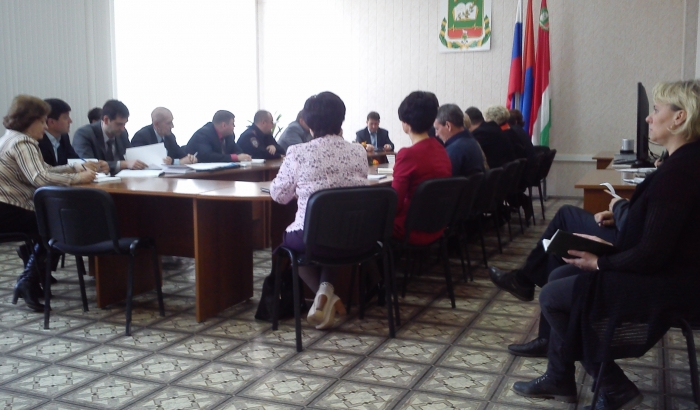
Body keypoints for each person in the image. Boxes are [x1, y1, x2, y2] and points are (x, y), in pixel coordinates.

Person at [511, 80, 700, 409]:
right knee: (558, 277)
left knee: (554, 296)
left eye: (656, 110)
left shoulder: (679, 173)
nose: (649, 118)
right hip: (671, 274)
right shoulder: (683, 162)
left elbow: (653, 254)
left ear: (679, 117)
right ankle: (559, 375)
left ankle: (613, 386)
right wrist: (610, 241)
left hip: (670, 286)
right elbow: (659, 237)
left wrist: (601, 261)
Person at [270, 92, 367, 329]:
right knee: (333, 234)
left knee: (291, 242)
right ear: (341, 119)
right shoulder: (359, 151)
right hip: (354, 235)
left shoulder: (298, 152)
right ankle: (325, 295)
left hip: (310, 238)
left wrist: (299, 188)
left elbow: (280, 196)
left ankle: (324, 297)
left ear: (308, 123)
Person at [489, 200, 628, 358]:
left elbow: (644, 225)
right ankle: (548, 339)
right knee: (557, 251)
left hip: (630, 241)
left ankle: (523, 281)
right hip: (628, 229)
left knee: (565, 214)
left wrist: (619, 207)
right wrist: (618, 215)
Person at [0, 95, 96, 311]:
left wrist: (73, 168)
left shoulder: (10, 138)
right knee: (60, 226)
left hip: (6, 209)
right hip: (8, 210)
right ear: (30, 120)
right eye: (42, 121)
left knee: (52, 224)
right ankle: (27, 281)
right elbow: (40, 178)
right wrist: (77, 178)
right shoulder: (23, 142)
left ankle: (31, 279)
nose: (45, 126)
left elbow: (43, 170)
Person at [393, 91, 452, 244]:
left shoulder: (407, 154)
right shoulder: (441, 150)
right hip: (436, 226)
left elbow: (395, 203)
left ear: (406, 122)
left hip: (410, 229)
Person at [73, 100, 147, 175]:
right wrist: (122, 164)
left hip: (121, 179)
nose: (123, 128)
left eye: (124, 124)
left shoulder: (122, 133)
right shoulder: (84, 134)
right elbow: (89, 164)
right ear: (106, 120)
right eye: (119, 124)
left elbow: (130, 158)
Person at [38, 99, 109, 173]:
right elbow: (44, 172)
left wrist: (97, 166)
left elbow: (75, 161)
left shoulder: (64, 137)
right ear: (51, 122)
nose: (70, 121)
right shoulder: (38, 141)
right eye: (65, 117)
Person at [433, 103, 485, 177]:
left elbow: (442, 181)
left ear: (448, 126)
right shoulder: (473, 143)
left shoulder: (453, 151)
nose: (436, 134)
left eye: (437, 129)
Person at [131, 107, 196, 165]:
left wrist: (190, 158)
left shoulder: (170, 137)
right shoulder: (141, 136)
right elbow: (142, 161)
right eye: (168, 123)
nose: (172, 126)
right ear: (156, 124)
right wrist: (176, 162)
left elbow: (182, 156)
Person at [185, 110, 252, 163]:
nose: (234, 126)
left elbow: (239, 152)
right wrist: (234, 157)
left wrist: (240, 156)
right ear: (224, 125)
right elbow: (207, 156)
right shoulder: (203, 134)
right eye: (233, 124)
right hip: (196, 173)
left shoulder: (229, 136)